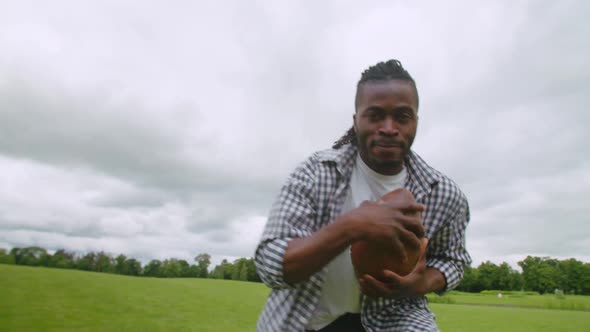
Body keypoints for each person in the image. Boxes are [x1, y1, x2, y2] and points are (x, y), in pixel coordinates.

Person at [254, 59, 471, 332]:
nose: (389, 128)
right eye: (375, 115)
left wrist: (420, 284)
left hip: (395, 320)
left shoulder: (444, 195)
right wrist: (353, 224)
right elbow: (270, 265)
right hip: (305, 320)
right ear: (356, 121)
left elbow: (453, 260)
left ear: (416, 121)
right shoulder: (315, 173)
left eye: (402, 116)